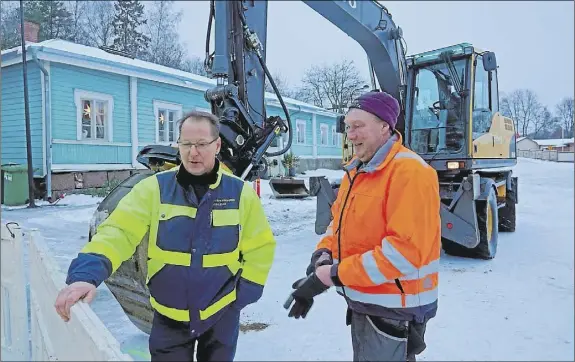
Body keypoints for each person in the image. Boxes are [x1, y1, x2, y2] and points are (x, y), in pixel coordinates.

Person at [55, 110, 276, 361]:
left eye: (202, 144)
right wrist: (86, 274)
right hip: (168, 316)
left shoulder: (240, 194)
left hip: (221, 314)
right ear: (178, 145)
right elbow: (118, 232)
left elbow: (260, 246)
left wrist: (244, 294)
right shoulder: (153, 189)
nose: (193, 152)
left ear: (217, 146)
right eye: (186, 144)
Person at [285, 91, 441, 362]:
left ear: (385, 127)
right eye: (348, 127)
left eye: (358, 126)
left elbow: (403, 253)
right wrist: (322, 256)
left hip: (394, 310)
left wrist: (331, 275)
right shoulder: (356, 171)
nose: (351, 135)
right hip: (366, 302)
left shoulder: (410, 173)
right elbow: (339, 225)